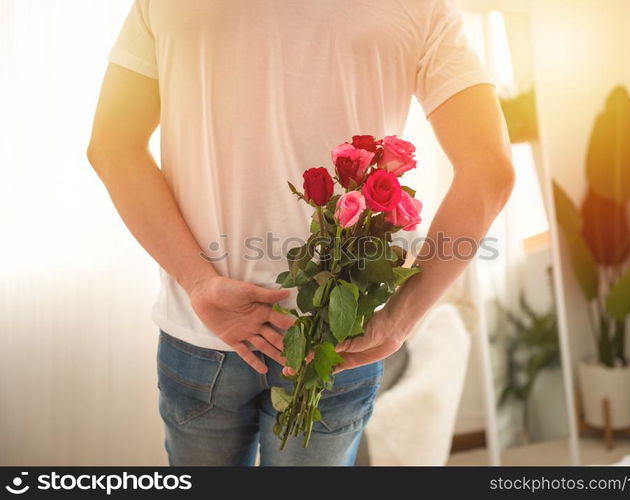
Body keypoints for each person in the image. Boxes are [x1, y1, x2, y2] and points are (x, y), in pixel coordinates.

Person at [87, 0, 514, 466]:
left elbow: (112, 146)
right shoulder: (422, 8)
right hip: (334, 338)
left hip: (208, 332)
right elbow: (490, 171)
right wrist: (402, 318)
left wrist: (199, 282)